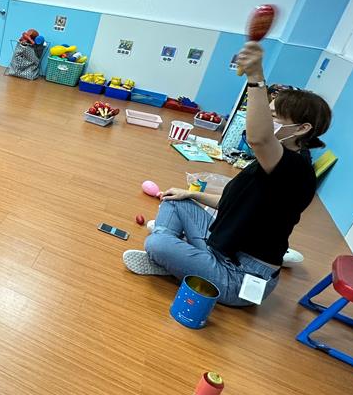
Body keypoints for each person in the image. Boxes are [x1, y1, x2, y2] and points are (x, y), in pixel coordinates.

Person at [122, 39, 331, 307]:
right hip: (220, 248)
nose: (266, 121)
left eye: (273, 117)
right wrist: (191, 194)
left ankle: (171, 259)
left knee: (157, 245)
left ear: (302, 129)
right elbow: (233, 201)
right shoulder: (275, 161)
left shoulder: (295, 168)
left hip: (240, 276)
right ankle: (178, 262)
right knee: (175, 202)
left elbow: (258, 137)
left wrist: (256, 77)